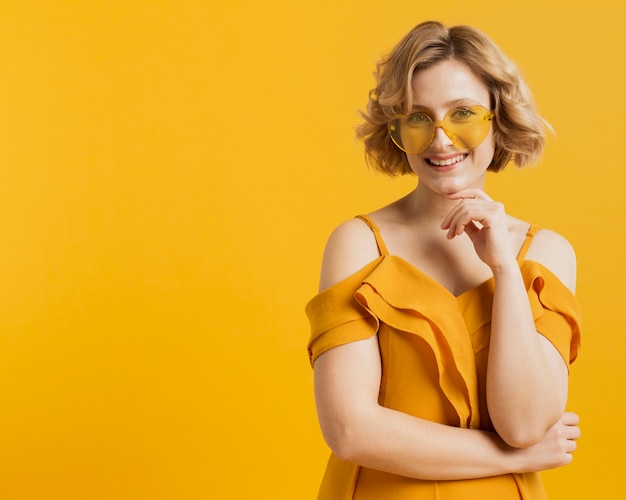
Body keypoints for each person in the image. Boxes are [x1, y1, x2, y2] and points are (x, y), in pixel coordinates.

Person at [305, 21, 582, 499]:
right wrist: (520, 457)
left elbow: (524, 423)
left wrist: (504, 270)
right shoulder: (358, 243)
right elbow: (350, 430)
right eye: (418, 117)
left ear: (499, 118)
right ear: (395, 129)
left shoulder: (547, 252)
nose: (440, 139)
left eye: (462, 114)